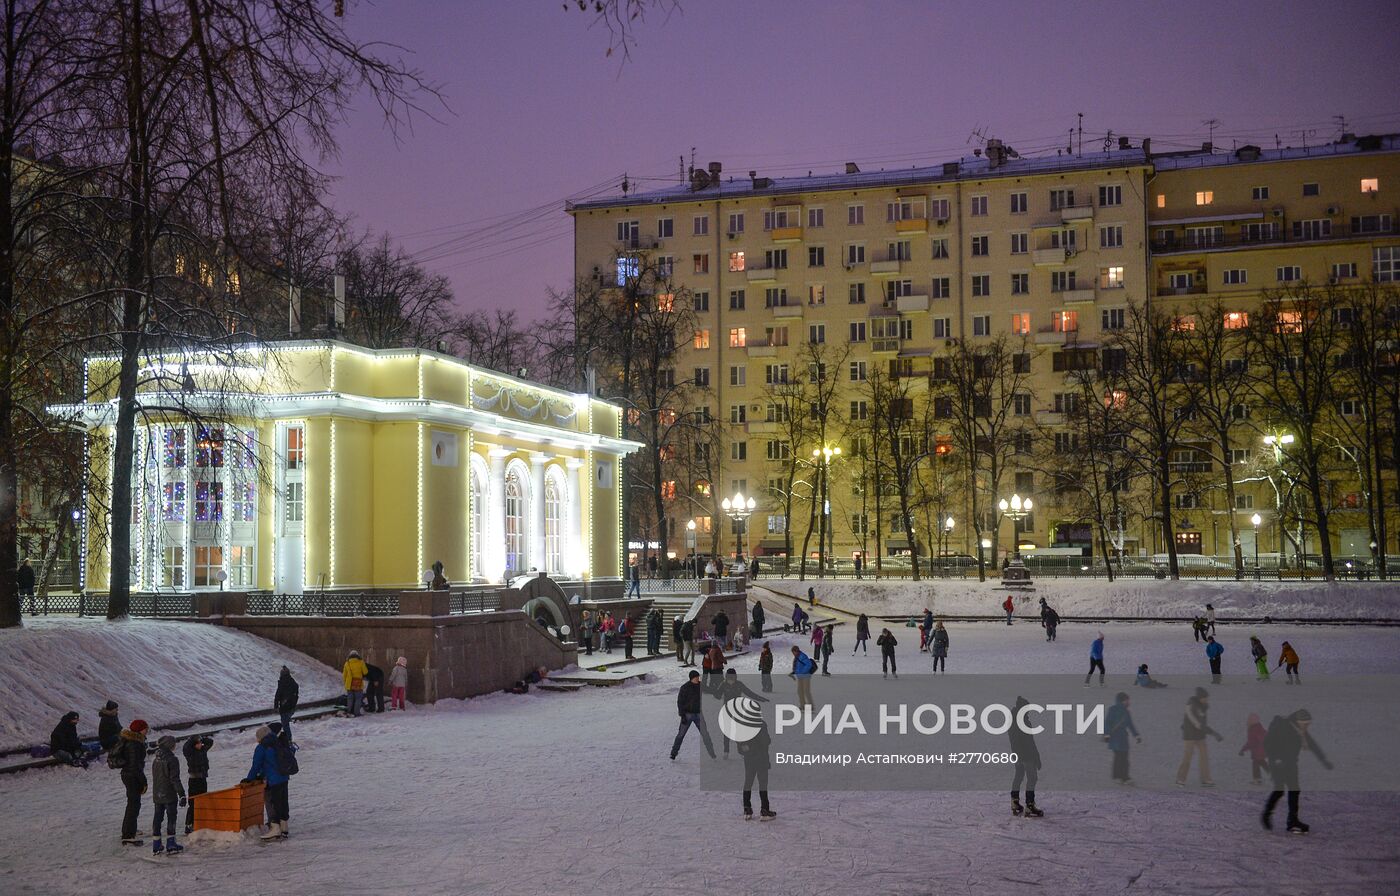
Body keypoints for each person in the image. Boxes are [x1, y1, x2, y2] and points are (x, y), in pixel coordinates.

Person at [1262, 708, 1332, 834]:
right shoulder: (1283, 727)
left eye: (1308, 724)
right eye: (1305, 724)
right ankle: (1266, 814)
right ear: (1299, 721)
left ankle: (1292, 821)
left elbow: (1312, 744)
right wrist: (1276, 759)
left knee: (1294, 790)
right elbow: (1268, 743)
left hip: (1290, 763)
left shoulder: (1299, 729)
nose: (1307, 726)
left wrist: (1323, 760)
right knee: (1279, 790)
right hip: (1278, 763)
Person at [244, 723, 296, 840]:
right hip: (284, 777)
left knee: (274, 803)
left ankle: (275, 828)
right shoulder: (278, 742)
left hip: (273, 780)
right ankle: (284, 827)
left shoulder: (262, 747)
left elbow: (256, 766)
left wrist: (249, 779)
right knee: (283, 801)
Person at [148, 735, 186, 854]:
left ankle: (156, 843)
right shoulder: (172, 759)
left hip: (157, 794)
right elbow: (174, 779)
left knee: (158, 818)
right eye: (173, 743)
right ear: (170, 745)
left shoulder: (156, 759)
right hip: (169, 794)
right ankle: (171, 843)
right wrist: (182, 794)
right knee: (171, 817)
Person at [1175, 687, 1222, 787]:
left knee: (1204, 756)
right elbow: (1198, 724)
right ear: (1200, 697)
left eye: (1207, 698)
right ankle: (1180, 779)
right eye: (1205, 698)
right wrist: (1213, 733)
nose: (1206, 700)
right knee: (1188, 756)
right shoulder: (1192, 707)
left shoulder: (1203, 706)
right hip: (1190, 735)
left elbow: (1203, 722)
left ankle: (1205, 779)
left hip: (1200, 734)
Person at [114, 719, 150, 846]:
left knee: (133, 804)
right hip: (132, 776)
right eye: (146, 729)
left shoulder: (132, 741)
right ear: (140, 730)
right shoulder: (135, 744)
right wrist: (144, 782)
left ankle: (130, 829)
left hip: (128, 774)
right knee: (133, 805)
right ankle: (128, 835)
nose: (147, 731)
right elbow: (136, 766)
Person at [1008, 696, 1044, 817]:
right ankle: (1030, 805)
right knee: (1032, 778)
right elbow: (1030, 742)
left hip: (1016, 755)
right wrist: (1036, 757)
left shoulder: (1012, 720)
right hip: (1026, 755)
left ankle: (1014, 801)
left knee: (1018, 776)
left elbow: (1014, 740)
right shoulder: (1023, 722)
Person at [669, 670, 716, 760]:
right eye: (696, 677)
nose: (698, 678)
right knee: (681, 734)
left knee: (705, 734)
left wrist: (716, 689)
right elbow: (680, 702)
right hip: (687, 715)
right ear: (691, 678)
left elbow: (709, 690)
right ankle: (673, 753)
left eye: (698, 677)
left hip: (698, 714)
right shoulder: (685, 687)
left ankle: (712, 753)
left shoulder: (700, 685)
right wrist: (682, 715)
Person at [738, 711, 776, 820]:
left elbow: (740, 744)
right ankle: (764, 810)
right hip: (761, 759)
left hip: (749, 760)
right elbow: (766, 741)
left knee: (748, 782)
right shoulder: (761, 724)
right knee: (763, 784)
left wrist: (745, 749)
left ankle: (747, 809)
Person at [1105, 692, 1141, 784]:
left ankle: (1119, 776)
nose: (1129, 702)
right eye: (1127, 700)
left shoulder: (1115, 710)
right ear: (1123, 701)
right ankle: (1124, 777)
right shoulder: (1124, 711)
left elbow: (1108, 723)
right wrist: (1136, 735)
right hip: (1119, 738)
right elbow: (1130, 725)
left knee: (1120, 757)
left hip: (1117, 738)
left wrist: (1107, 734)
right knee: (1122, 758)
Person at [182, 734, 213, 833]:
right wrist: (192, 740)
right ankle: (189, 824)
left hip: (203, 778)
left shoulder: (203, 749)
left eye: (201, 743)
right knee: (193, 802)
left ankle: (199, 822)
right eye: (198, 743)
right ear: (193, 745)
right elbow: (185, 747)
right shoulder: (190, 752)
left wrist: (201, 738)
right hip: (194, 780)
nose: (200, 745)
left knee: (203, 800)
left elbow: (210, 742)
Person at [1240, 713, 1267, 785]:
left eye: (1248, 720)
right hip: (1262, 750)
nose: (1247, 721)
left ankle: (1257, 779)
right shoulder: (1260, 727)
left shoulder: (1252, 730)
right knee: (1262, 763)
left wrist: (1242, 750)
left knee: (1255, 764)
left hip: (1257, 751)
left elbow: (1250, 742)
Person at [274, 666, 299, 735]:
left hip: (284, 708)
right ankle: (287, 739)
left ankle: (288, 740)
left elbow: (277, 696)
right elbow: (296, 695)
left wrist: (276, 706)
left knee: (285, 725)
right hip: (292, 707)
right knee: (285, 723)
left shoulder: (282, 683)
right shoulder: (293, 683)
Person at [342, 650, 368, 717]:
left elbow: (344, 675)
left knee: (350, 698)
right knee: (358, 698)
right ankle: (357, 713)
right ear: (357, 655)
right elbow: (365, 672)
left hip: (349, 683)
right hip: (358, 683)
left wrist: (345, 683)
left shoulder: (347, 663)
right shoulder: (361, 662)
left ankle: (349, 711)